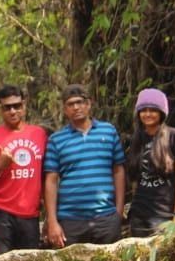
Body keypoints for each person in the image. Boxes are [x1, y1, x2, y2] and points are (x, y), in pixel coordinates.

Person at [44, 84, 126, 248]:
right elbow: (51, 181)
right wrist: (52, 222)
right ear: (65, 109)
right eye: (70, 104)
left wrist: (119, 211)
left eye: (80, 102)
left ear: (89, 104)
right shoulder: (56, 140)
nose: (76, 107)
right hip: (70, 221)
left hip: (106, 218)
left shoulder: (108, 131)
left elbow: (118, 171)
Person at [0, 85, 48, 254]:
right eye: (7, 107)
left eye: (17, 106)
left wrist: (50, 215)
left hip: (30, 213)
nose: (13, 111)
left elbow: (46, 176)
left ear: (24, 105)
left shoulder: (39, 134)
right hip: (0, 213)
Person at [127, 88, 175, 237]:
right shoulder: (137, 138)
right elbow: (136, 177)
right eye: (143, 110)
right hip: (138, 214)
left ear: (161, 112)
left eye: (153, 110)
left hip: (163, 215)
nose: (147, 114)